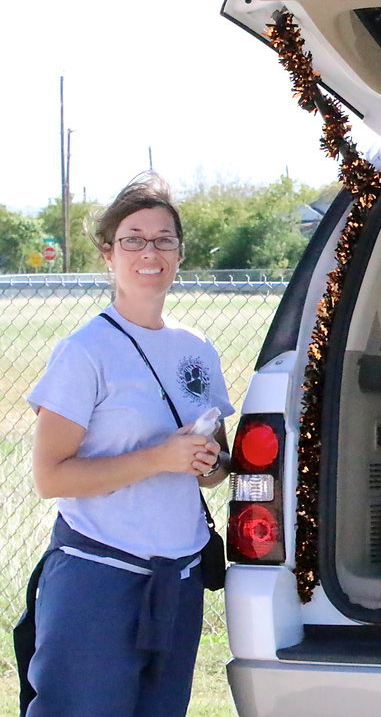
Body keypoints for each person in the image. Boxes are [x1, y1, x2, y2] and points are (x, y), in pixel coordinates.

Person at [22, 172, 235, 716]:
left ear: (180, 252)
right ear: (108, 254)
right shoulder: (84, 351)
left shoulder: (198, 348)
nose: (150, 252)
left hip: (180, 579)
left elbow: (216, 468)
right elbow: (50, 478)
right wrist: (158, 458)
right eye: (133, 239)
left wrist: (207, 462)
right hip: (99, 577)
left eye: (164, 239)